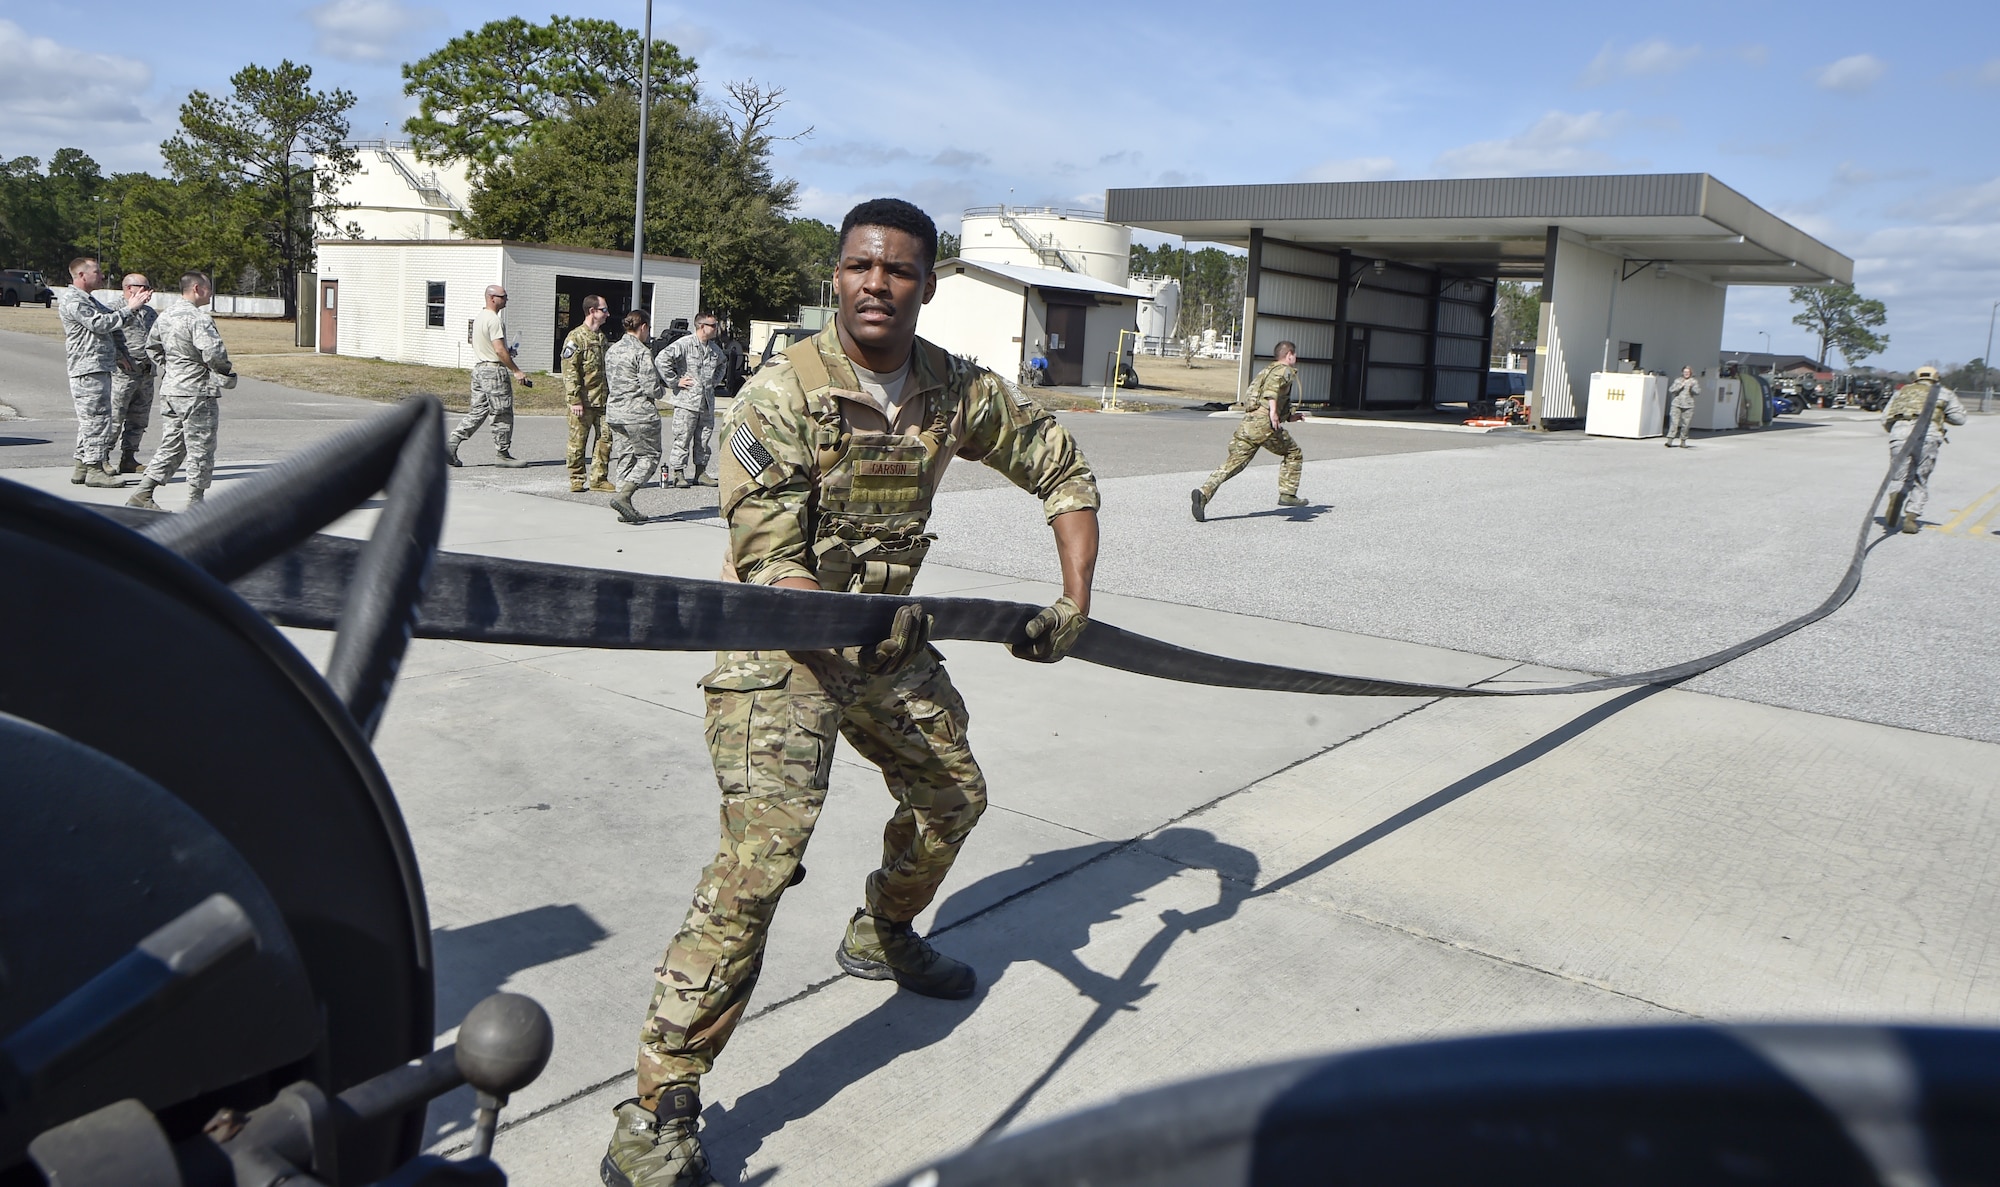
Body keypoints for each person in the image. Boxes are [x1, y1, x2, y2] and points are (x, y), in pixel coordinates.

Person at [600, 198, 1100, 1187]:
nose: (878, 284)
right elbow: (770, 564)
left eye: (900, 271)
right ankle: (656, 1106)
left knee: (953, 797)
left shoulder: (954, 391)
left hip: (887, 643)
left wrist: (1071, 600)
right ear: (837, 276)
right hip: (782, 651)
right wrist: (855, 617)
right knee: (759, 862)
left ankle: (882, 927)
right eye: (861, 267)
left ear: (925, 284)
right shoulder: (780, 395)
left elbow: (1061, 468)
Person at [125, 273, 237, 511]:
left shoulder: (166, 316)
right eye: (209, 288)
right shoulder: (198, 318)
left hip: (172, 389)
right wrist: (224, 374)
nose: (211, 293)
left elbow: (152, 347)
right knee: (201, 448)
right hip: (196, 392)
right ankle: (195, 503)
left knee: (173, 444)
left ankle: (143, 493)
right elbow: (214, 352)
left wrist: (173, 367)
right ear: (197, 289)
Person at [57, 256, 150, 488]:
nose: (102, 276)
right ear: (81, 275)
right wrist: (130, 308)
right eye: (97, 273)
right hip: (87, 367)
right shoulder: (73, 300)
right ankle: (95, 469)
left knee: (92, 419)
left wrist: (121, 354)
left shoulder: (90, 300)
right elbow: (100, 324)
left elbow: (113, 327)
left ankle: (81, 465)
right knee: (97, 419)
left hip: (98, 366)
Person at [1190, 341, 1307, 521]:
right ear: (1289, 354)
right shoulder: (1283, 371)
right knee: (1293, 453)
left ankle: (1203, 494)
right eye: (1294, 355)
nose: (1295, 358)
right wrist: (1273, 412)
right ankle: (1288, 494)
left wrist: (1290, 416)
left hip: (1249, 424)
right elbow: (1271, 391)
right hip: (1264, 425)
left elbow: (1264, 396)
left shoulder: (1267, 370)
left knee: (1234, 464)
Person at [446, 284, 531, 468]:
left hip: (479, 369)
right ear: (492, 298)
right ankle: (502, 454)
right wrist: (516, 370)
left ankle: (452, 443)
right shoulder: (494, 320)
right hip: (494, 371)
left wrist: (506, 353)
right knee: (502, 412)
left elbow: (493, 347)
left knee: (478, 411)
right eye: (503, 296)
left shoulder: (480, 318)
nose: (506, 300)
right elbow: (499, 350)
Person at [1883, 364, 1969, 534]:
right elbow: (1959, 418)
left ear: (1915, 378)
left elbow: (1885, 418)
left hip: (1899, 435)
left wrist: (1896, 430)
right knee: (1920, 478)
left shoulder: (1902, 392)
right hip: (1928, 436)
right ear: (1936, 377)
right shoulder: (1944, 392)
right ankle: (1911, 518)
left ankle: (1896, 496)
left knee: (1899, 476)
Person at [603, 310, 666, 525]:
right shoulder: (642, 352)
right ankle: (624, 496)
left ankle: (624, 506)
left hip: (615, 413)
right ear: (644, 327)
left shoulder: (612, 349)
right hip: (639, 414)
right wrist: (661, 391)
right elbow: (651, 388)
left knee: (626, 456)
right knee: (649, 456)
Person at [655, 312, 726, 488]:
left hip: (706, 403)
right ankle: (678, 473)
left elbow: (723, 364)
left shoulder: (714, 349)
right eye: (713, 325)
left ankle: (701, 473)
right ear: (702, 326)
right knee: (683, 438)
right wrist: (674, 381)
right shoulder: (685, 344)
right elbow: (661, 359)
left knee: (703, 439)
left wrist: (713, 383)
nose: (716, 328)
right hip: (687, 402)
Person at [561, 295, 615, 493]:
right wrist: (575, 399)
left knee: (605, 439)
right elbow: (569, 371)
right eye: (604, 310)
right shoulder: (575, 338)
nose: (607, 314)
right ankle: (576, 478)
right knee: (578, 442)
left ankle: (599, 479)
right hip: (582, 401)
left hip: (602, 400)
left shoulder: (601, 338)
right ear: (592, 311)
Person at [109, 274, 160, 474]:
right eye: (145, 287)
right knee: (114, 418)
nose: (150, 291)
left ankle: (128, 458)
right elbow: (103, 336)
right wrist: (117, 356)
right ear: (130, 288)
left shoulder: (149, 313)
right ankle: (101, 459)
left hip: (145, 374)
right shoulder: (114, 309)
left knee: (139, 419)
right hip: (122, 375)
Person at [1666, 365, 1699, 448]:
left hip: (1688, 405)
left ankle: (1683, 440)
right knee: (1674, 422)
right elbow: (1671, 390)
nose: (1686, 373)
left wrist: (1692, 388)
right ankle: (1670, 440)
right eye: (1685, 372)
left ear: (1690, 373)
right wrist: (1680, 386)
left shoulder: (1693, 381)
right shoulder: (1678, 380)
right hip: (1677, 404)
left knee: (1686, 424)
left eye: (1688, 372)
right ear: (1682, 372)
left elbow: (1697, 392)